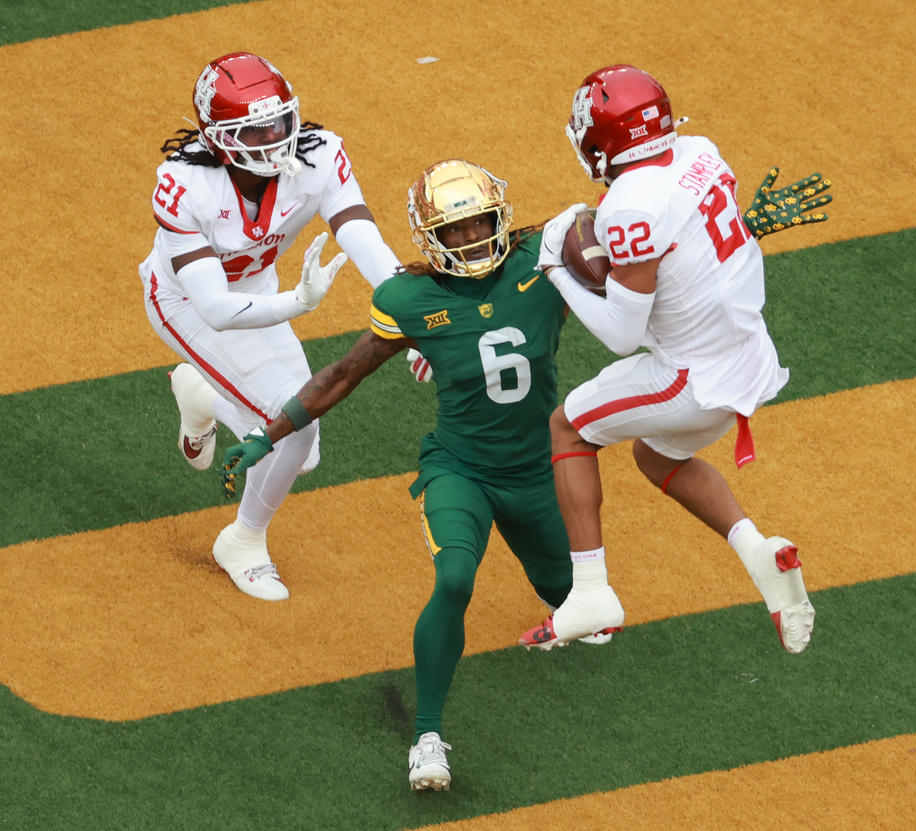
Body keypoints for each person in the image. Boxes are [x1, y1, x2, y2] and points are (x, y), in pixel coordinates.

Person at [217, 156, 827, 789]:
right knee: (455, 577)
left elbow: (643, 263)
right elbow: (343, 373)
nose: (468, 238)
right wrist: (268, 434)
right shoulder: (407, 297)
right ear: (429, 236)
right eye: (451, 230)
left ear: (500, 217)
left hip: (538, 471)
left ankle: (575, 592)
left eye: (478, 222)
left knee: (580, 604)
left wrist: (727, 231)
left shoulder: (544, 259)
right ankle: (428, 737)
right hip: (462, 468)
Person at [518, 65, 828, 655]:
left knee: (568, 428)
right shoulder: (700, 152)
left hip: (690, 379)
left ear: (604, 140)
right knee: (655, 455)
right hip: (749, 359)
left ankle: (589, 594)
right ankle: (759, 553)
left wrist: (556, 268)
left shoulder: (629, 208)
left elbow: (618, 333)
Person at [140, 51, 427, 602]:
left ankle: (200, 395)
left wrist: (415, 318)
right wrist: (298, 302)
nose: (273, 138)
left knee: (300, 448)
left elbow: (362, 235)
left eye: (278, 122)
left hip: (259, 293)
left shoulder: (320, 155)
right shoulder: (183, 185)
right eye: (254, 129)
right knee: (293, 422)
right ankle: (243, 540)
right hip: (186, 304)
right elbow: (216, 309)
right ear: (219, 138)